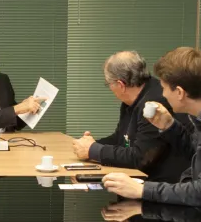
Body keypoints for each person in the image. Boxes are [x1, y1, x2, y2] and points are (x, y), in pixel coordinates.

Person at [102, 47, 201, 207]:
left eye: (164, 88)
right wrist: (169, 126)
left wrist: (142, 190)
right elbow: (195, 153)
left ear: (179, 92)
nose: (162, 94)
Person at [72, 51, 189, 180]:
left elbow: (140, 158)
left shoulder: (153, 104)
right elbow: (121, 139)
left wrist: (94, 150)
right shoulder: (131, 101)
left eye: (109, 84)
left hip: (161, 184)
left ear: (120, 85)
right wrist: (90, 145)